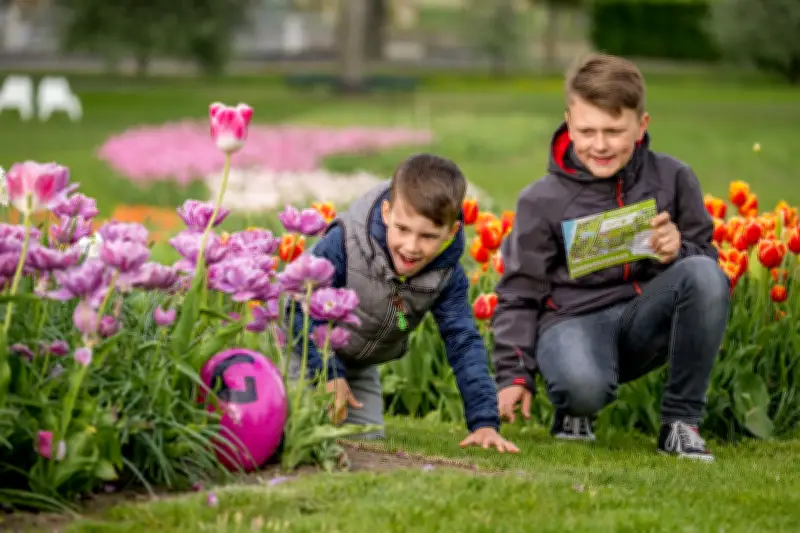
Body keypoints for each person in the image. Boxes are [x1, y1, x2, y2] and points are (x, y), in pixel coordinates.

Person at [491, 52, 730, 461]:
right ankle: (574, 410)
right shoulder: (540, 200)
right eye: (587, 130)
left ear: (642, 126)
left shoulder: (674, 178)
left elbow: (706, 263)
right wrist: (514, 373)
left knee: (705, 275)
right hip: (571, 322)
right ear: (569, 123)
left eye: (614, 130)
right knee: (583, 388)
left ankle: (680, 423)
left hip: (642, 318)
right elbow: (518, 293)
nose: (599, 145)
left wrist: (677, 249)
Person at [289, 153, 519, 454]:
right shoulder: (345, 242)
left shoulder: (445, 276)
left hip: (358, 365)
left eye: (428, 236)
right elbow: (299, 308)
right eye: (403, 229)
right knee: (298, 430)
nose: (411, 247)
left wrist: (484, 422)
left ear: (451, 232)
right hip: (304, 350)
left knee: (364, 445)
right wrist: (330, 374)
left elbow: (463, 341)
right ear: (386, 213)